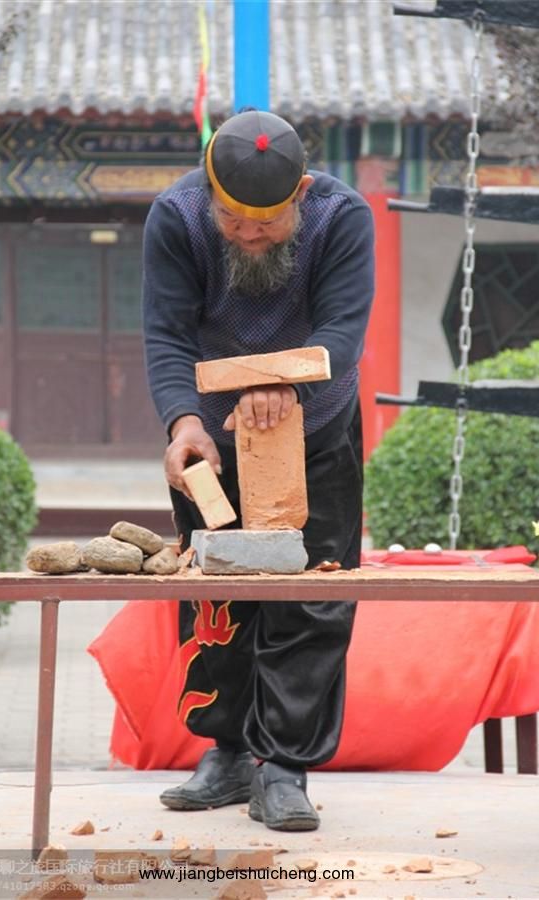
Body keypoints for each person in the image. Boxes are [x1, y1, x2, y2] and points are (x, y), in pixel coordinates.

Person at [142, 110, 375, 831]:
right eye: (232, 217)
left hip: (318, 426)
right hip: (213, 437)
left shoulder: (342, 217)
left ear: (299, 193)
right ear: (207, 191)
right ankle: (228, 754)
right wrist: (182, 424)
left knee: (310, 596)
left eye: (267, 221)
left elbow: (341, 330)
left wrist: (285, 384)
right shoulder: (177, 217)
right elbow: (166, 333)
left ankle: (286, 766)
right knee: (216, 596)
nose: (247, 233)